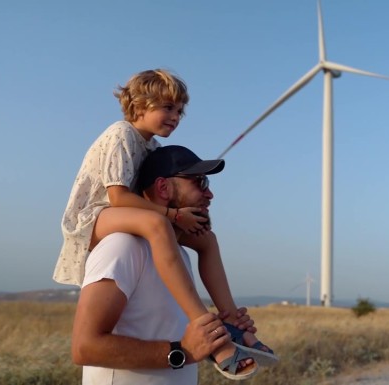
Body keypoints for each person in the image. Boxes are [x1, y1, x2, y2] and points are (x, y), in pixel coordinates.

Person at [54, 70, 276, 377]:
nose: (175, 116)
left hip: (130, 213)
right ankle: (204, 324)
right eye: (167, 107)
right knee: (155, 226)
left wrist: (190, 215)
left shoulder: (153, 148)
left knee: (206, 240)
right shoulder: (121, 134)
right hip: (95, 216)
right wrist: (172, 215)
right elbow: (118, 197)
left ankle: (231, 322)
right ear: (140, 105)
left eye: (179, 110)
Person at [71, 145, 263, 384]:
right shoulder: (122, 247)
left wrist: (216, 330)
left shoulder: (178, 253)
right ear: (163, 187)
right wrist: (182, 352)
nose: (210, 194)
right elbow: (84, 347)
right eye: (199, 182)